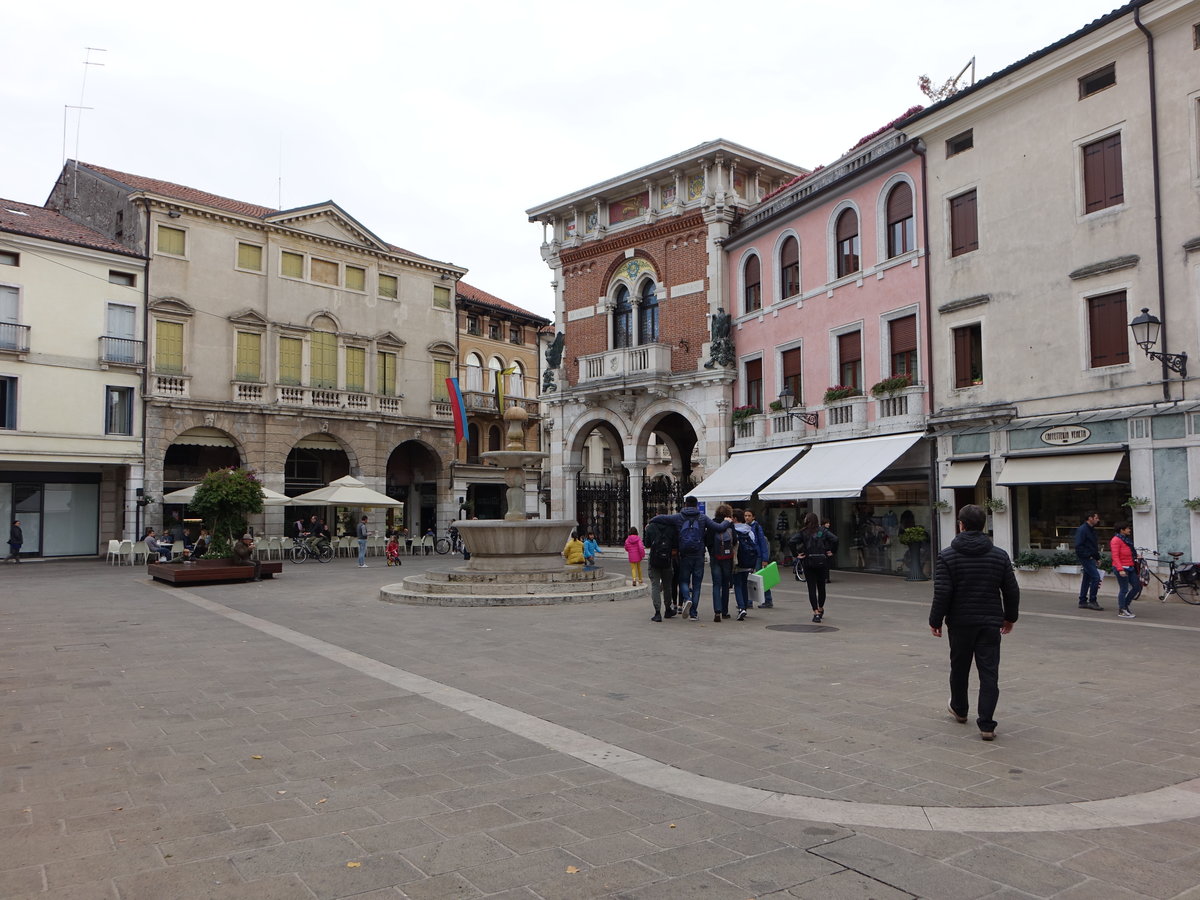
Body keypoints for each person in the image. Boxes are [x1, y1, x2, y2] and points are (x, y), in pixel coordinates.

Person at [930, 504, 1019, 741]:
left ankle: (960, 708)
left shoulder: (947, 555)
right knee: (989, 672)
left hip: (960, 622)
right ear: (983, 526)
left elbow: (942, 592)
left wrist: (935, 620)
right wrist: (1010, 617)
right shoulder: (999, 555)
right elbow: (1011, 590)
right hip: (990, 622)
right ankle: (987, 724)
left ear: (960, 525)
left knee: (959, 666)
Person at [649, 496, 733, 621]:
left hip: (684, 555)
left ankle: (687, 599)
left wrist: (651, 521)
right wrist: (727, 521)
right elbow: (719, 528)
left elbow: (660, 518)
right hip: (698, 555)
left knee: (683, 581)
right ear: (697, 505)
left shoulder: (678, 517)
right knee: (697, 584)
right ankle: (693, 613)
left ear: (685, 504)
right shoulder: (702, 517)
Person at [795, 513, 838, 622]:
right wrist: (832, 551)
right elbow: (835, 539)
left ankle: (815, 612)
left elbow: (791, 541)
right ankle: (821, 607)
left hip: (808, 562)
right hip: (822, 561)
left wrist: (796, 554)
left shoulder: (803, 532)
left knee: (811, 588)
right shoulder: (822, 531)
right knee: (821, 586)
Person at [644, 518, 677, 621]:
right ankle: (668, 609)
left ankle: (657, 612)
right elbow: (675, 546)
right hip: (667, 560)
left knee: (655, 585)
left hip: (654, 560)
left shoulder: (651, 527)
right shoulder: (672, 528)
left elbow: (647, 544)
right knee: (667, 586)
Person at [707, 504, 736, 622]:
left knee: (716, 584)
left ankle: (717, 611)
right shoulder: (730, 524)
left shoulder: (712, 524)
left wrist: (713, 551)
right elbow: (735, 539)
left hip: (715, 557)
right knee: (725, 584)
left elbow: (707, 541)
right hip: (727, 558)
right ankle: (725, 611)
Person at [731, 510, 759, 621]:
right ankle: (745, 607)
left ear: (735, 518)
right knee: (744, 584)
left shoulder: (733, 530)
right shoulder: (749, 531)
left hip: (737, 561)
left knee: (737, 584)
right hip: (748, 561)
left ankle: (741, 607)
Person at [1110, 521, 1141, 618]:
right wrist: (1120, 569)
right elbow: (1115, 556)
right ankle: (1122, 610)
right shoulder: (1116, 540)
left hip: (1130, 567)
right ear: (1122, 530)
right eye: (1127, 528)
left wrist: (1136, 556)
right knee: (1124, 589)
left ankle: (1125, 605)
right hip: (1122, 568)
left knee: (1137, 587)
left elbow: (1129, 552)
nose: (1129, 530)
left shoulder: (1126, 539)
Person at [1074, 511, 1104, 610]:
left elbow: (1093, 546)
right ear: (1090, 518)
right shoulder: (1082, 530)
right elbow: (1079, 546)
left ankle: (1082, 601)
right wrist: (1089, 556)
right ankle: (1092, 601)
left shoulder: (1091, 530)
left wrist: (1097, 558)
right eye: (1096, 518)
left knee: (1087, 579)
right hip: (1087, 558)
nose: (1098, 520)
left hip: (1090, 557)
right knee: (1096, 578)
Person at [744, 509, 773, 608]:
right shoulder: (745, 527)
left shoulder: (756, 527)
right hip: (750, 556)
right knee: (749, 578)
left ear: (753, 517)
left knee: (761, 578)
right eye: (745, 515)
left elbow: (762, 543)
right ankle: (748, 601)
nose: (747, 517)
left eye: (749, 515)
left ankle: (768, 599)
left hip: (758, 556)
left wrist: (765, 559)